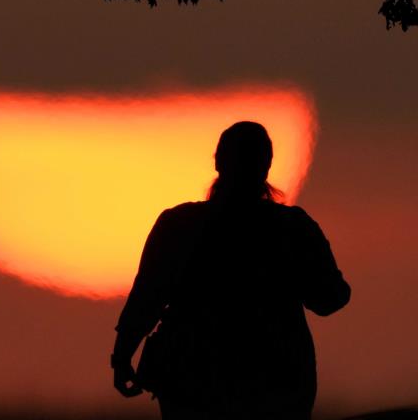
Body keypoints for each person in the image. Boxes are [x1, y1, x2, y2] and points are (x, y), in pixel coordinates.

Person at [110, 121, 351, 420]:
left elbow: (147, 298)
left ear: (218, 162)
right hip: (277, 382)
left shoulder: (178, 225)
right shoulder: (293, 228)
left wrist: (122, 357)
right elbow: (330, 299)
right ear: (266, 166)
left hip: (193, 380)